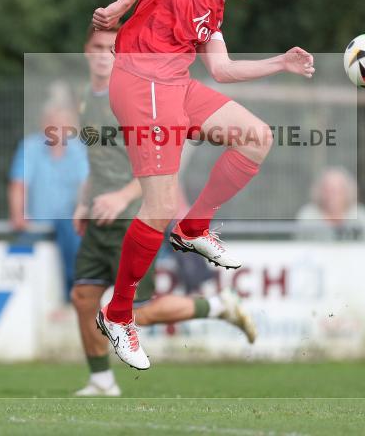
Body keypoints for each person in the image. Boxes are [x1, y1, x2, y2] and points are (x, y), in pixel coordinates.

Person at [91, 0, 315, 369]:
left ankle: (193, 228)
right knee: (159, 205)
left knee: (256, 137)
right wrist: (121, 4)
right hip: (145, 80)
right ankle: (117, 315)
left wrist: (281, 63)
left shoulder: (215, 0)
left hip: (174, 84)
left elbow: (222, 70)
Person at [70, 24, 255, 396]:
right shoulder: (86, 99)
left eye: (112, 48)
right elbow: (99, 161)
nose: (104, 55)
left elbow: (161, 166)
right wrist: (82, 201)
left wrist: (121, 197)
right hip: (99, 218)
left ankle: (218, 306)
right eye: (98, 47)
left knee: (135, 310)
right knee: (84, 298)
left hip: (133, 216)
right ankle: (101, 381)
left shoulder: (132, 97)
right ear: (87, 51)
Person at [9, 102, 88, 300]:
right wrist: (18, 215)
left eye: (64, 125)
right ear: (44, 125)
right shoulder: (30, 147)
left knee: (78, 252)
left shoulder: (78, 150)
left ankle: (72, 298)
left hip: (69, 225)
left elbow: (86, 187)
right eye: (54, 125)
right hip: (37, 224)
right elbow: (19, 185)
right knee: (19, 261)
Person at [294, 167, 365, 240]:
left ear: (348, 192)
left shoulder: (361, 216)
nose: (332, 195)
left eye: (337, 190)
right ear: (319, 192)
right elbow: (299, 246)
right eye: (327, 190)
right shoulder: (307, 215)